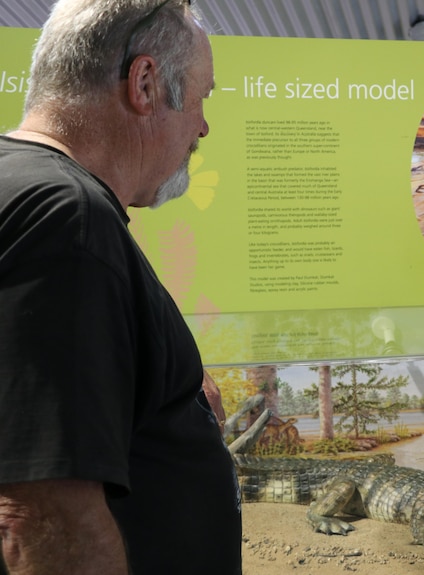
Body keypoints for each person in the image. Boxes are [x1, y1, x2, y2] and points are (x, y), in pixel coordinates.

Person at [0, 1, 242, 573]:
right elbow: (40, 521)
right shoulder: (64, 216)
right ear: (145, 82)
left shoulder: (22, 186)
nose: (203, 126)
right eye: (203, 97)